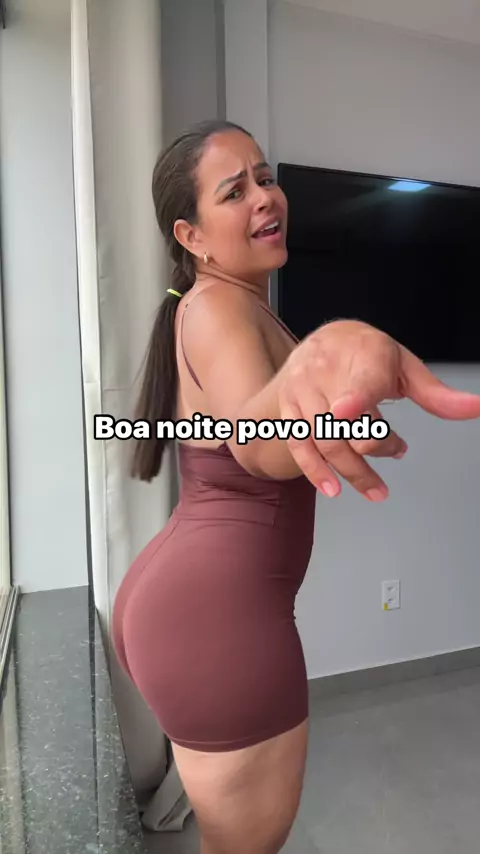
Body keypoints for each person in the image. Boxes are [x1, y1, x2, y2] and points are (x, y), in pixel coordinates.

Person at [112, 119, 480, 854]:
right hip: (217, 621)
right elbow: (261, 445)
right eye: (234, 191)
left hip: (192, 604)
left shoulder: (230, 304)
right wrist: (333, 350)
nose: (263, 196)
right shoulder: (217, 307)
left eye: (265, 177)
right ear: (191, 236)